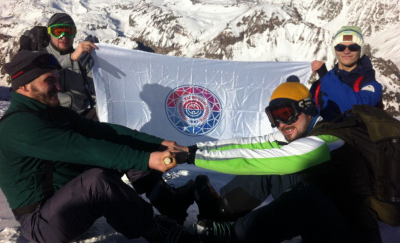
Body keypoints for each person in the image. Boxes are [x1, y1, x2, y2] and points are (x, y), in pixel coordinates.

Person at [0, 51, 196, 243]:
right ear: (24, 86)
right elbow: (83, 148)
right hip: (41, 223)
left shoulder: (53, 113)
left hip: (65, 201)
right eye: (50, 80)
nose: (58, 86)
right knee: (97, 181)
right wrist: (148, 159)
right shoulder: (18, 125)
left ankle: (171, 205)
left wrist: (159, 145)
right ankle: (159, 232)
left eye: (58, 79)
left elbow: (105, 133)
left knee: (124, 149)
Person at [182, 81, 381, 242]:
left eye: (286, 113)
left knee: (304, 194)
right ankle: (220, 212)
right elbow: (253, 144)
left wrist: (195, 159)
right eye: (274, 117)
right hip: (324, 224)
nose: (281, 124)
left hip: (352, 235)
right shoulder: (304, 134)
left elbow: (255, 160)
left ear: (307, 108)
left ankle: (233, 234)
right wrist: (193, 150)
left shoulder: (328, 141)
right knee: (275, 172)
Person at [310, 26, 382, 121]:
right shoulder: (319, 85)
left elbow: (355, 108)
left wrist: (325, 76)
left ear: (360, 51)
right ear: (335, 51)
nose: (346, 51)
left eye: (353, 47)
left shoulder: (371, 84)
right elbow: (308, 117)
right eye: (340, 47)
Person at [44, 13, 99, 119]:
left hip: (79, 117)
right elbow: (42, 71)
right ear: (50, 33)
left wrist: (98, 61)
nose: (64, 36)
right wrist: (71, 57)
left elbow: (96, 90)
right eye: (58, 32)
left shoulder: (81, 59)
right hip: (50, 117)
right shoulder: (40, 56)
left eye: (69, 32)